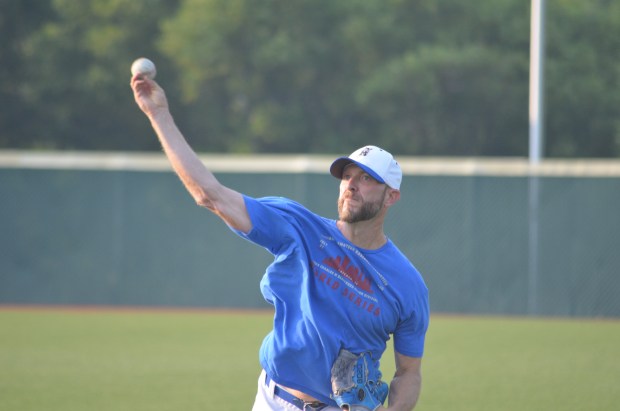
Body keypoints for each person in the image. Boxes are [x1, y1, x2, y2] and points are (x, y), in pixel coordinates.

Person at [131, 72, 429, 411]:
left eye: (366, 179)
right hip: (273, 401)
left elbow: (408, 373)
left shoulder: (408, 285)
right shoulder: (299, 229)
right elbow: (210, 195)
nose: (350, 185)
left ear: (392, 196)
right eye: (346, 175)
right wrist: (159, 114)